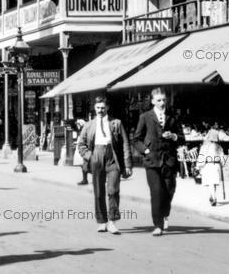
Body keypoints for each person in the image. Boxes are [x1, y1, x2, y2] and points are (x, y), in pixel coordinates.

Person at [133, 88, 184, 236]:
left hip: (169, 160)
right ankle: (157, 225)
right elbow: (136, 139)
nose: (162, 103)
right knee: (156, 192)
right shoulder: (145, 117)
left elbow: (182, 138)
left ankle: (165, 212)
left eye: (164, 100)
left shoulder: (172, 117)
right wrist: (146, 151)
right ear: (153, 101)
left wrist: (173, 136)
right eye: (159, 100)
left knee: (169, 190)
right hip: (152, 160)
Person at [77, 96, 132, 234]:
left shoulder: (116, 123)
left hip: (112, 157)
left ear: (107, 107)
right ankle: (102, 221)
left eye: (103, 107)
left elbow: (125, 143)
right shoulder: (88, 125)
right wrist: (91, 156)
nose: (100, 110)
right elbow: (81, 145)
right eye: (98, 108)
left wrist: (128, 164)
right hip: (96, 156)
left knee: (113, 190)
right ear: (94, 108)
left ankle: (112, 222)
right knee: (98, 192)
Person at [197, 129, 224, 206]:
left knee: (210, 182)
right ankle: (212, 196)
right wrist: (221, 164)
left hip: (208, 165)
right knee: (214, 182)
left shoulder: (205, 147)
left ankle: (213, 197)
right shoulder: (219, 147)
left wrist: (199, 166)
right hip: (216, 165)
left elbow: (201, 157)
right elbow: (222, 158)